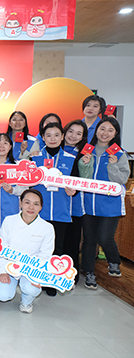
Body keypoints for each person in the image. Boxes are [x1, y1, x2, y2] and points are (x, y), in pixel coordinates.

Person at [78, 117, 130, 289]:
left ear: (115, 134)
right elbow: (82, 177)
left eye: (110, 130)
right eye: (102, 128)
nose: (105, 133)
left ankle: (114, 261)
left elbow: (122, 179)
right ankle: (89, 273)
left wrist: (113, 166)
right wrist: (84, 164)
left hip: (110, 204)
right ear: (96, 130)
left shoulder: (119, 154)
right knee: (89, 239)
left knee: (105, 237)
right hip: (89, 203)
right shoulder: (87, 150)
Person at [31, 122, 78, 296]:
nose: (52, 138)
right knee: (37, 248)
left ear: (62, 137)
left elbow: (77, 183)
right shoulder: (34, 158)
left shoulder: (70, 159)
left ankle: (51, 282)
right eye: (48, 135)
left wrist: (73, 190)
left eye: (56, 135)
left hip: (60, 211)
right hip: (38, 212)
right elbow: (27, 183)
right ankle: (35, 280)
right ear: (43, 138)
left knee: (57, 249)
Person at [0, 189, 54, 314]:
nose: (31, 207)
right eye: (27, 202)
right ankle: (9, 285)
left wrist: (37, 274)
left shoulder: (47, 228)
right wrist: (3, 271)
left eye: (36, 204)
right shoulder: (9, 221)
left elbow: (45, 255)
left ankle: (26, 301)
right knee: (3, 295)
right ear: (20, 203)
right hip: (9, 265)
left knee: (32, 288)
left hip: (31, 268)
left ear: (41, 207)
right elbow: (2, 248)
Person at [62, 120, 89, 283]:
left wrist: (86, 165)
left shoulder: (84, 155)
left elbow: (86, 180)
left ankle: (71, 277)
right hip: (56, 205)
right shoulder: (54, 150)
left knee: (72, 243)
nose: (73, 136)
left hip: (74, 205)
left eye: (79, 133)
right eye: (71, 131)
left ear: (83, 137)